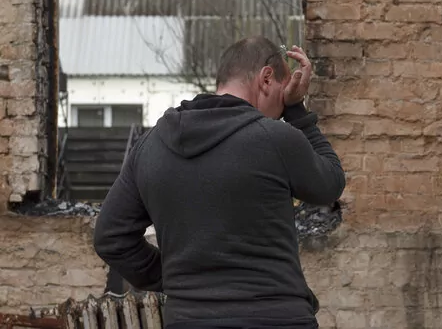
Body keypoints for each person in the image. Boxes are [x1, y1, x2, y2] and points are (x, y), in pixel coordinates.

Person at [94, 36, 345, 329]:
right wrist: (296, 110)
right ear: (266, 78)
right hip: (276, 319)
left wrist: (177, 279)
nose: (281, 104)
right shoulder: (275, 139)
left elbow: (110, 238)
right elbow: (331, 182)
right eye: (282, 90)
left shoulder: (150, 146)